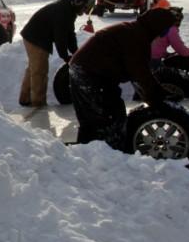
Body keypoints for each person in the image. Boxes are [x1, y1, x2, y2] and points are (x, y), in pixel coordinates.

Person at [68, 8, 177, 149]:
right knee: (104, 118)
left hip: (96, 73)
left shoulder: (138, 31)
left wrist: (154, 96)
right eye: (167, 28)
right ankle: (100, 154)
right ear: (158, 25)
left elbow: (137, 74)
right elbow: (139, 72)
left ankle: (101, 152)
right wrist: (158, 98)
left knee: (110, 112)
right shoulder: (136, 36)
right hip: (88, 73)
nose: (167, 32)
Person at [19, 0, 94, 107]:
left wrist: (76, 52)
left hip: (36, 36)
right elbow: (60, 37)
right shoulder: (63, 12)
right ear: (78, 2)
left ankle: (25, 98)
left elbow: (70, 34)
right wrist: (65, 56)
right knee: (40, 70)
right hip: (36, 38)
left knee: (34, 68)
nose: (84, 12)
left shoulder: (69, 10)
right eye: (84, 8)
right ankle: (38, 103)